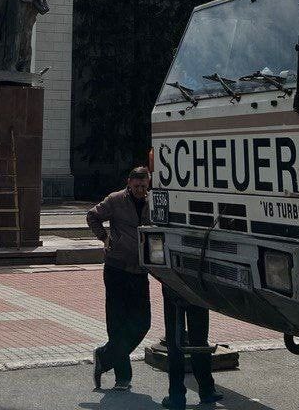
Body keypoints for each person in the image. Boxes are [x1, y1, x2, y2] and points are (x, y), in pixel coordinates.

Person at [87, 166, 152, 391]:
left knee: (143, 323)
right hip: (116, 269)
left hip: (140, 271)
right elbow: (93, 216)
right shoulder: (116, 200)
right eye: (137, 186)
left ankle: (105, 357)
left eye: (144, 186)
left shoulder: (152, 202)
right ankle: (122, 377)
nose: (141, 191)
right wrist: (104, 238)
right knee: (117, 324)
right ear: (129, 183)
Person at [161, 284, 220, 408]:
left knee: (175, 341)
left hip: (171, 280)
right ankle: (207, 390)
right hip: (195, 282)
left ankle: (176, 395)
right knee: (199, 338)